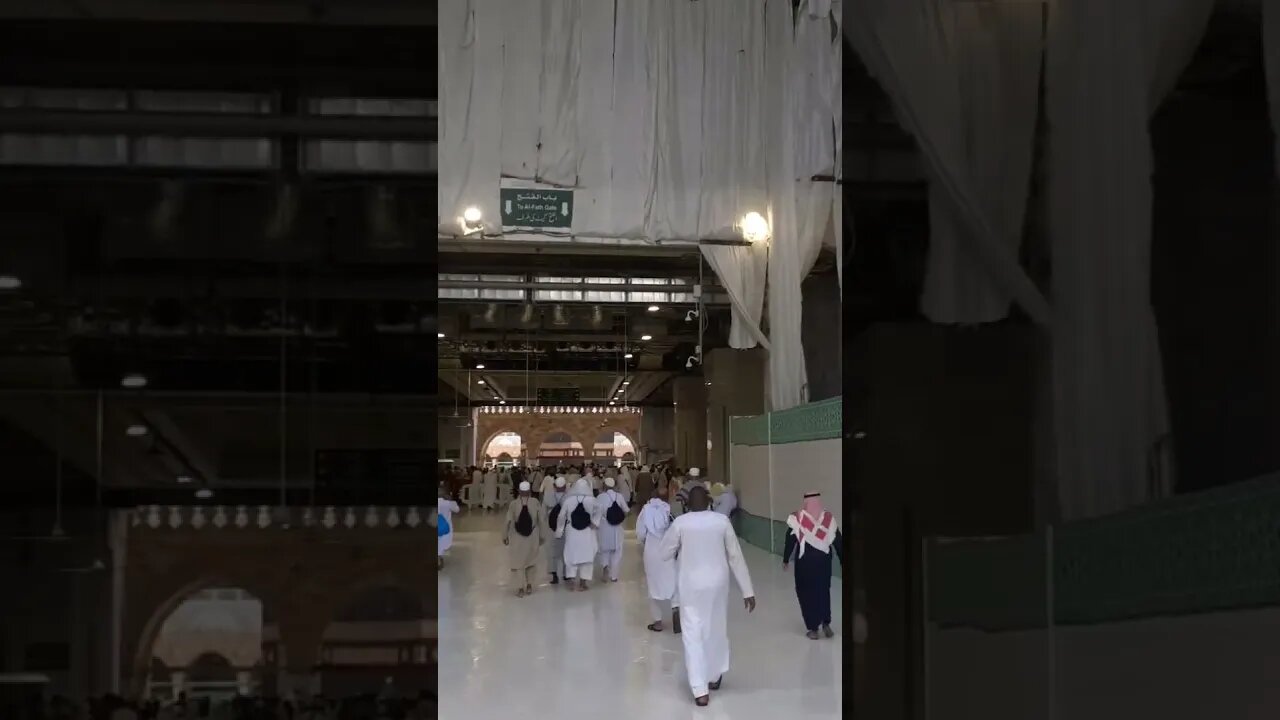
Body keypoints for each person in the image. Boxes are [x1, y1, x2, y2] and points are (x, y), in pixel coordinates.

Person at [658, 486, 756, 706]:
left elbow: (664, 553)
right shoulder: (721, 521)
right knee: (715, 628)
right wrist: (747, 590)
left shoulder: (681, 523)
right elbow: (735, 557)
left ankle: (700, 690)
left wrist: (680, 548)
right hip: (717, 584)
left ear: (689, 504)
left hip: (691, 585)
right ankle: (714, 675)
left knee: (692, 633)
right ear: (709, 501)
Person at [783, 491, 843, 639]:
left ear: (805, 502)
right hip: (824, 563)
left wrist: (785, 559)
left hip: (805, 564)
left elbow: (790, 540)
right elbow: (838, 541)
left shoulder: (798, 518)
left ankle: (813, 628)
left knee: (806, 592)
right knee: (823, 590)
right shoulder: (828, 519)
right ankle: (826, 624)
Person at [636, 483, 680, 633]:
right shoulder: (670, 510)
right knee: (673, 579)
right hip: (669, 548)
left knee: (653, 583)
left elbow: (640, 532)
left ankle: (658, 622)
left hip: (652, 549)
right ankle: (676, 609)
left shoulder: (646, 510)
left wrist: (645, 541)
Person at [503, 481, 548, 597]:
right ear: (529, 491)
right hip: (532, 537)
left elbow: (508, 520)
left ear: (519, 491)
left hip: (517, 538)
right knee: (530, 562)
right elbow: (541, 520)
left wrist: (504, 536)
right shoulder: (535, 502)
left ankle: (520, 588)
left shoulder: (513, 504)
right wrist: (542, 536)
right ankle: (529, 585)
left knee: (518, 563)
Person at [556, 477, 599, 591]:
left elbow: (561, 516)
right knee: (587, 556)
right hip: (587, 531)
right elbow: (599, 510)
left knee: (571, 555)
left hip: (572, 531)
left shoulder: (568, 500)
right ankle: (583, 583)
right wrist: (595, 523)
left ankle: (571, 582)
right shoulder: (592, 500)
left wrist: (559, 531)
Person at [596, 476, 629, 582]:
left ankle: (605, 567)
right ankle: (614, 576)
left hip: (604, 526)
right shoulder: (619, 496)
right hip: (617, 528)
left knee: (604, 550)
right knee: (617, 551)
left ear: (604, 486)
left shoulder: (600, 497)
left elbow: (596, 513)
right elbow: (626, 510)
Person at [543, 475, 569, 584]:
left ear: (554, 486)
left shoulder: (548, 496)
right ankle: (566, 574)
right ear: (565, 486)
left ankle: (554, 575)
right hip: (565, 527)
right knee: (566, 550)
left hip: (551, 527)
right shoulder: (569, 497)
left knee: (552, 551)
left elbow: (543, 513)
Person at [437, 484, 460, 569]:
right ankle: (438, 559)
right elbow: (457, 510)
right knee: (442, 542)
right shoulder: (448, 503)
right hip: (445, 527)